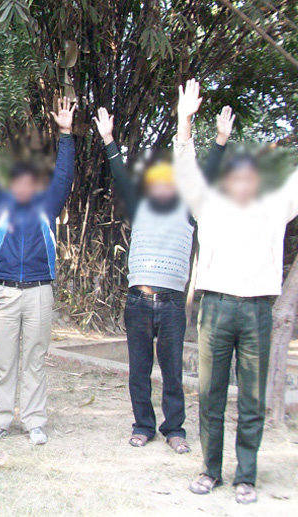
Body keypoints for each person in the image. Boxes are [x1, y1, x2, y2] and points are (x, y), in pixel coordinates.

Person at [174, 79, 298, 505]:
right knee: (210, 394)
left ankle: (246, 475)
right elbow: (185, 167)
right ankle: (210, 470)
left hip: (258, 311)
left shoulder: (276, 206)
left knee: (252, 398)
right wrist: (184, 119)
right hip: (216, 309)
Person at [93, 105, 233, 452]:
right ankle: (143, 425)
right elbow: (120, 173)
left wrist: (220, 141)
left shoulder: (189, 208)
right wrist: (108, 138)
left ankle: (174, 429)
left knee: (172, 372)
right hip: (138, 301)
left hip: (171, 304)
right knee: (139, 371)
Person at [0, 97, 76, 445]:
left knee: (35, 360)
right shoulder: (0, 204)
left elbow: (64, 174)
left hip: (39, 292)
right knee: (3, 362)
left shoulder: (47, 205)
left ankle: (34, 422)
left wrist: (66, 134)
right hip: (5, 292)